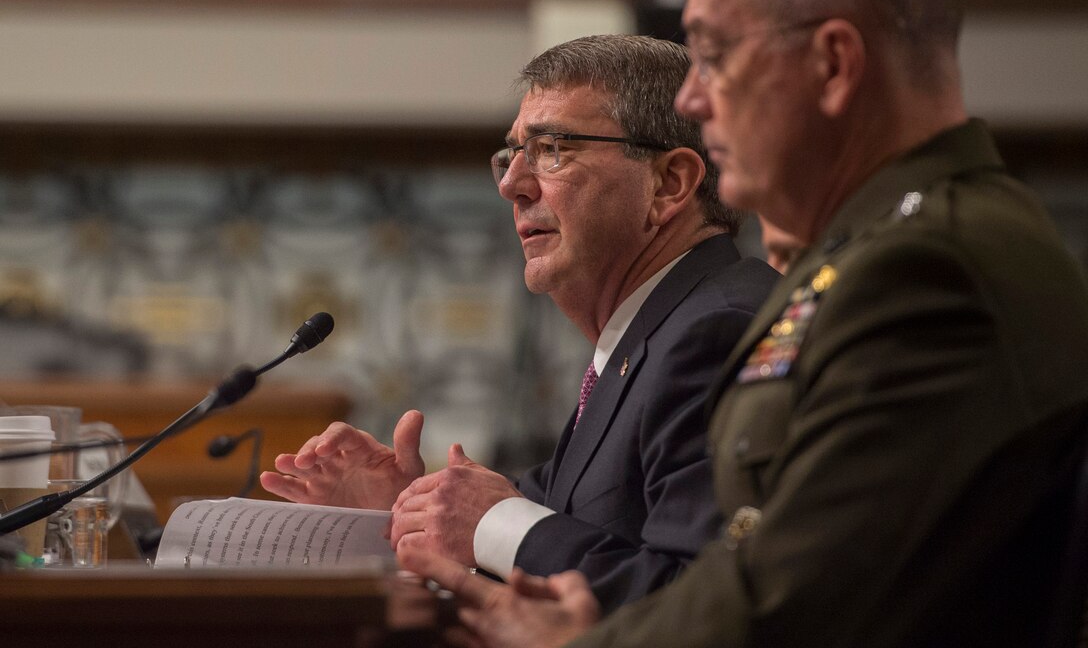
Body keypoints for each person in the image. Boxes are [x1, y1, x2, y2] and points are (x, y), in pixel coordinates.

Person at [401, 0, 1088, 648]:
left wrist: (574, 646)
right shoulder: (884, 253)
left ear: (831, 64)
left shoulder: (928, 270)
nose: (694, 101)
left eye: (716, 57)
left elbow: (788, 608)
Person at [261, 34, 780, 612]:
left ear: (669, 184)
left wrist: (492, 522)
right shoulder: (649, 337)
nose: (512, 184)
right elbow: (561, 526)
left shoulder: (718, 332)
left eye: (553, 148)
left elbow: (703, 603)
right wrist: (408, 509)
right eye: (511, 156)